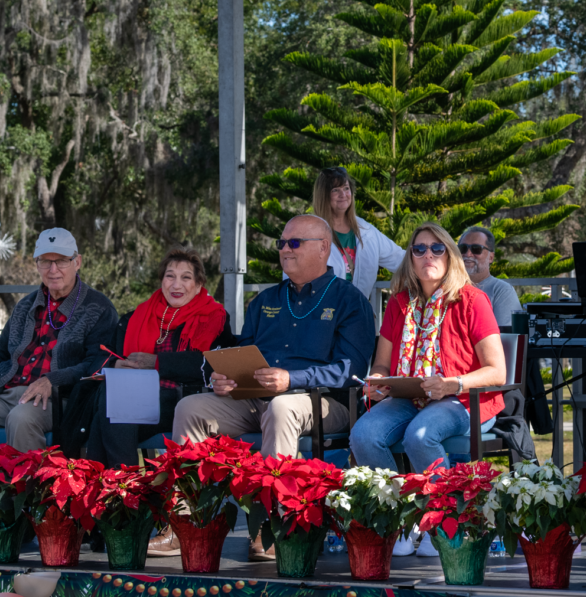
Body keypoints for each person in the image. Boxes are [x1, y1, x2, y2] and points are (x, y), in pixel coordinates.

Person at [151, 214, 375, 561]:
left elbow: (352, 370)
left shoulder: (349, 300)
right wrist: (225, 378)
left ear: (323, 249)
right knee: (190, 408)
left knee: (282, 408)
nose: (285, 249)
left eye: (295, 243)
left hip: (324, 404)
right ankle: (184, 524)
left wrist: (292, 379)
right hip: (256, 398)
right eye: (282, 243)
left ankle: (273, 527)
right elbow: (244, 353)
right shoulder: (265, 300)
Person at [350, 221, 506, 557]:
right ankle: (403, 519)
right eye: (419, 249)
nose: (427, 255)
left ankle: (445, 522)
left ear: (450, 256)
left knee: (419, 435)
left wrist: (453, 382)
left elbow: (497, 371)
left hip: (463, 397)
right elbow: (381, 364)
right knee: (363, 435)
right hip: (409, 396)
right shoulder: (399, 304)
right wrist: (377, 383)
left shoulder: (472, 301)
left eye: (437, 249)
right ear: (410, 258)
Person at [0, 228, 118, 451]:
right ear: (37, 265)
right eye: (45, 261)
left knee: (21, 418)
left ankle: (26, 486)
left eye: (62, 261)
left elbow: (98, 364)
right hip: (8, 395)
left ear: (77, 262)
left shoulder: (98, 307)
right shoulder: (26, 306)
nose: (53, 269)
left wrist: (52, 380)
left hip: (59, 400)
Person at [78, 249, 236, 468]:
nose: (176, 284)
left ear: (199, 285)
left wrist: (156, 363)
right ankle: (125, 487)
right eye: (170, 276)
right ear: (162, 280)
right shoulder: (136, 317)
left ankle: (113, 486)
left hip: (182, 400)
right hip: (135, 399)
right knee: (112, 406)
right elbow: (104, 354)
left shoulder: (214, 317)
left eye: (186, 277)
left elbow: (211, 365)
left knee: (109, 410)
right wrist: (116, 364)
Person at [313, 166, 405, 301]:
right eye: (335, 190)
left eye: (346, 188)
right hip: (322, 316)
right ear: (324, 195)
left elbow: (400, 259)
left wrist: (436, 265)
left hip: (357, 315)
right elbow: (296, 275)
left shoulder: (366, 231)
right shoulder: (310, 231)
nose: (343, 195)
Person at [458, 226, 522, 327]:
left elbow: (505, 339)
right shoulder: (446, 289)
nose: (468, 254)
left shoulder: (501, 291)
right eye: (463, 249)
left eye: (476, 249)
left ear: (491, 257)